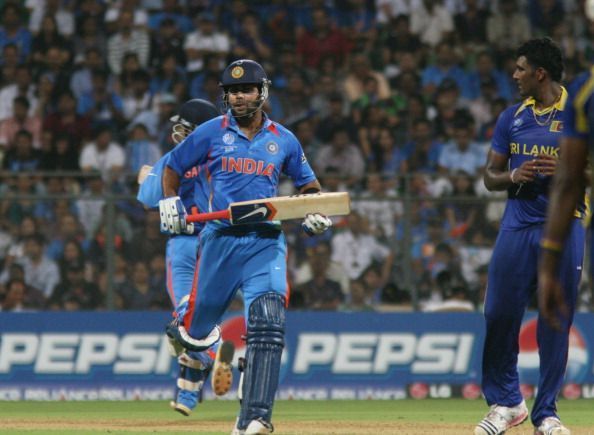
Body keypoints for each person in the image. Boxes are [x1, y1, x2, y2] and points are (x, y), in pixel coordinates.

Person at [159, 59, 332, 434]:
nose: (238, 97)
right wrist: (170, 201)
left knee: (269, 323)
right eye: (232, 91)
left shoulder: (284, 139)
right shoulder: (208, 133)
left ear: (262, 92)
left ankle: (254, 418)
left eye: (246, 90)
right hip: (219, 242)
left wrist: (313, 213)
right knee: (192, 332)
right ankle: (195, 346)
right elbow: (173, 167)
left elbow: (309, 188)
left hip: (264, 243)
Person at [474, 38, 584, 435]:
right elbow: (489, 177)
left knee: (555, 319)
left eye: (521, 69)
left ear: (540, 73)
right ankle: (506, 403)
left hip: (564, 222)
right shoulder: (511, 117)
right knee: (498, 314)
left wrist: (566, 172)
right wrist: (512, 177)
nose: (515, 75)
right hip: (517, 224)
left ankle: (547, 414)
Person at [137, 98, 234, 417]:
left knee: (185, 320)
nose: (175, 135)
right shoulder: (226, 156)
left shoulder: (174, 158)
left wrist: (147, 177)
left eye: (182, 129)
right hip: (219, 244)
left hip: (183, 245)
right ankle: (187, 397)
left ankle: (213, 353)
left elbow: (147, 199)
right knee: (198, 320)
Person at [538, 72, 594, 324]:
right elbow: (570, 180)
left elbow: (569, 180)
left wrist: (548, 269)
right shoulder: (584, 91)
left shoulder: (585, 90)